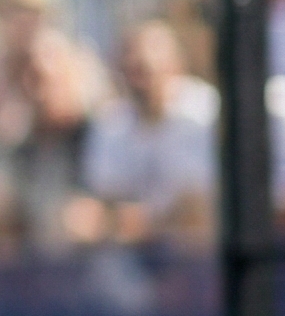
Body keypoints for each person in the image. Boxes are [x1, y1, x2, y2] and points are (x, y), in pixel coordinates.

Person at [80, 21, 217, 253]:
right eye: (130, 69)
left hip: (198, 255)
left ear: (175, 64)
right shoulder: (111, 122)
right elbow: (100, 208)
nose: (138, 81)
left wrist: (143, 221)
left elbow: (199, 208)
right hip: (132, 254)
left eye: (144, 69)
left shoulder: (205, 115)